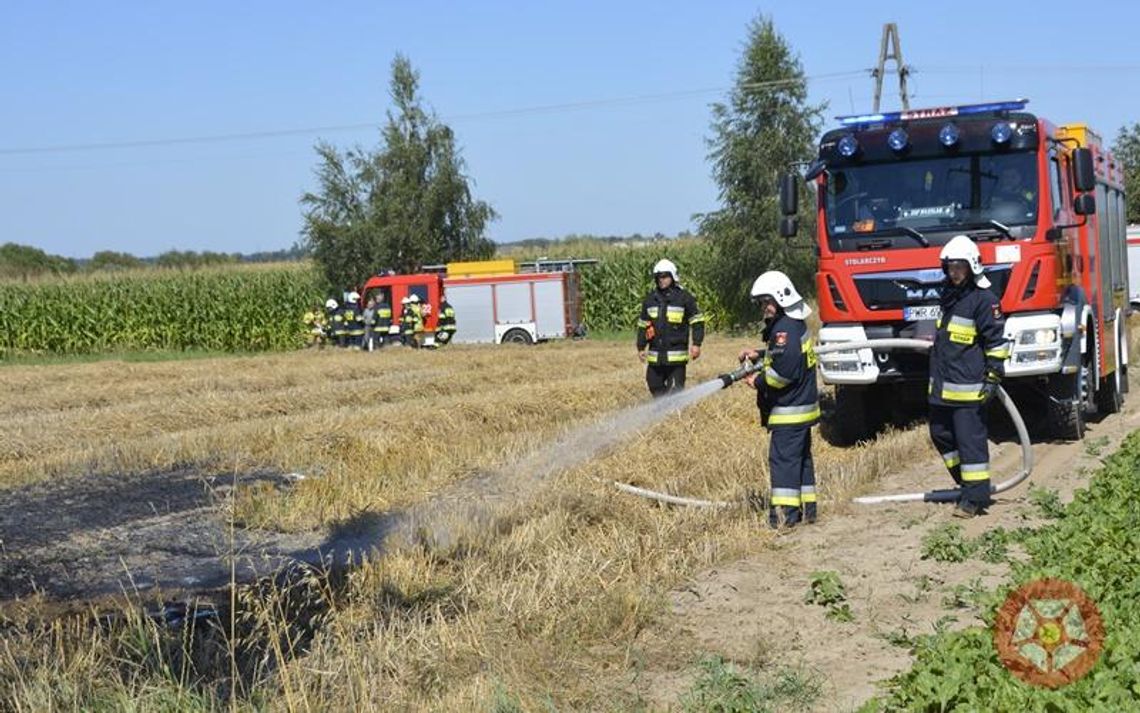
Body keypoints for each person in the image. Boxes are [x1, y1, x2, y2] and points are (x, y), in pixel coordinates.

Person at [928, 235, 1011, 518]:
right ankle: (966, 484)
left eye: (959, 267)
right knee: (939, 435)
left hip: (968, 389)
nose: (954, 272)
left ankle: (974, 500)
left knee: (970, 444)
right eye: (950, 267)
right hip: (942, 387)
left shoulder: (984, 300)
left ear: (972, 267)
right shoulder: (950, 297)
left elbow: (996, 343)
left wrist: (993, 377)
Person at [739, 271, 820, 529]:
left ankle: (785, 516)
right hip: (802, 408)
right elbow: (785, 355)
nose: (764, 308)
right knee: (800, 460)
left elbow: (783, 372)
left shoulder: (784, 330)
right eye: (761, 303)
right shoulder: (793, 325)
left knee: (783, 460)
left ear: (781, 297)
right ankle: (808, 509)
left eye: (767, 302)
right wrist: (760, 353)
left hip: (789, 411)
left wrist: (757, 382)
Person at [635, 259, 706, 397]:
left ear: (673, 277)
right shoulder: (650, 300)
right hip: (656, 356)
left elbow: (697, 321)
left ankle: (673, 414)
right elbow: (643, 325)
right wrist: (640, 347)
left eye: (665, 276)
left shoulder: (684, 298)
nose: (662, 280)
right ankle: (662, 413)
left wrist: (697, 344)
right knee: (654, 385)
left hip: (676, 357)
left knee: (675, 391)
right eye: (659, 277)